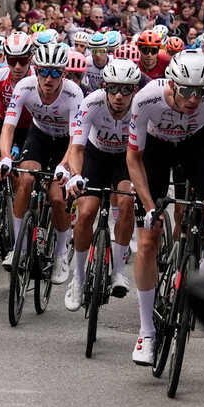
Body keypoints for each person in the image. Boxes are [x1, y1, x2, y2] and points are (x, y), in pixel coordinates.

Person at [127, 49, 204, 365]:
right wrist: (150, 205)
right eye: (186, 92)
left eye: (200, 92)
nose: (194, 99)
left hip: (196, 146)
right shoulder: (146, 99)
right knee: (148, 241)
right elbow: (133, 158)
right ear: (171, 84)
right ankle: (146, 332)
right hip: (155, 150)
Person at [0, 43, 83, 284]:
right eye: (44, 71)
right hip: (40, 136)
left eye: (56, 72)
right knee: (25, 179)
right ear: (35, 70)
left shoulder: (74, 93)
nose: (49, 78)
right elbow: (8, 127)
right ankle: (19, 249)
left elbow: (77, 140)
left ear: (63, 74)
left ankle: (60, 254)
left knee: (57, 197)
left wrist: (64, 166)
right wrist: (5, 157)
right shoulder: (24, 87)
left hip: (66, 143)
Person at [64, 59, 147, 311]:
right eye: (113, 89)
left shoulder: (141, 108)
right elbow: (77, 148)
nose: (119, 96)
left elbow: (146, 152)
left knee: (126, 201)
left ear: (134, 90)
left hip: (126, 159)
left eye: (126, 90)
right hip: (95, 156)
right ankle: (77, 279)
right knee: (86, 212)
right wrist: (76, 174)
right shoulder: (92, 103)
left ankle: (118, 272)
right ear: (104, 87)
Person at [0, 32, 35, 239]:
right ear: (6, 59)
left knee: (21, 177)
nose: (17, 67)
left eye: (22, 61)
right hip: (2, 123)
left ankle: (22, 221)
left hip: (28, 128)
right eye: (12, 61)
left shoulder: (37, 78)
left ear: (30, 59)